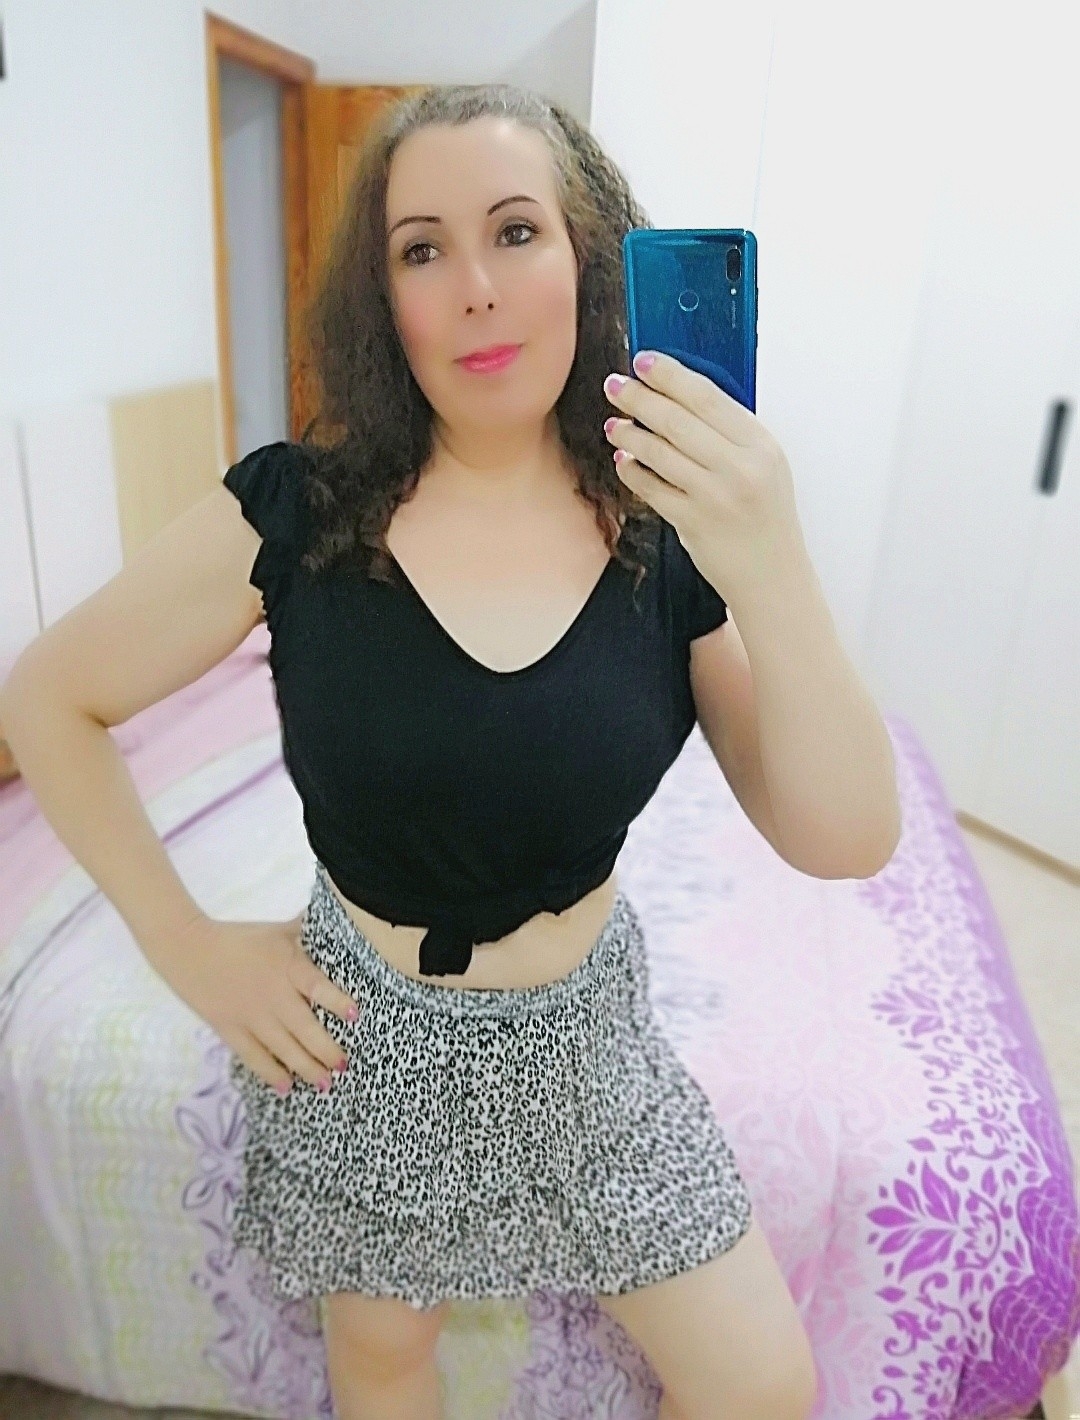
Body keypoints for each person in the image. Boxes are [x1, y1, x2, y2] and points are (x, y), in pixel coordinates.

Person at [0, 84, 842, 1420]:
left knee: (759, 1386)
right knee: (387, 1355)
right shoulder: (297, 513)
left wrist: (773, 551)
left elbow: (844, 835)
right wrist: (187, 944)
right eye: (421, 248)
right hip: (364, 1033)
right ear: (383, 298)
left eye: (515, 231)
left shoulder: (663, 531)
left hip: (587, 1038)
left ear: (587, 259)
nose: (475, 289)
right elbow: (48, 697)